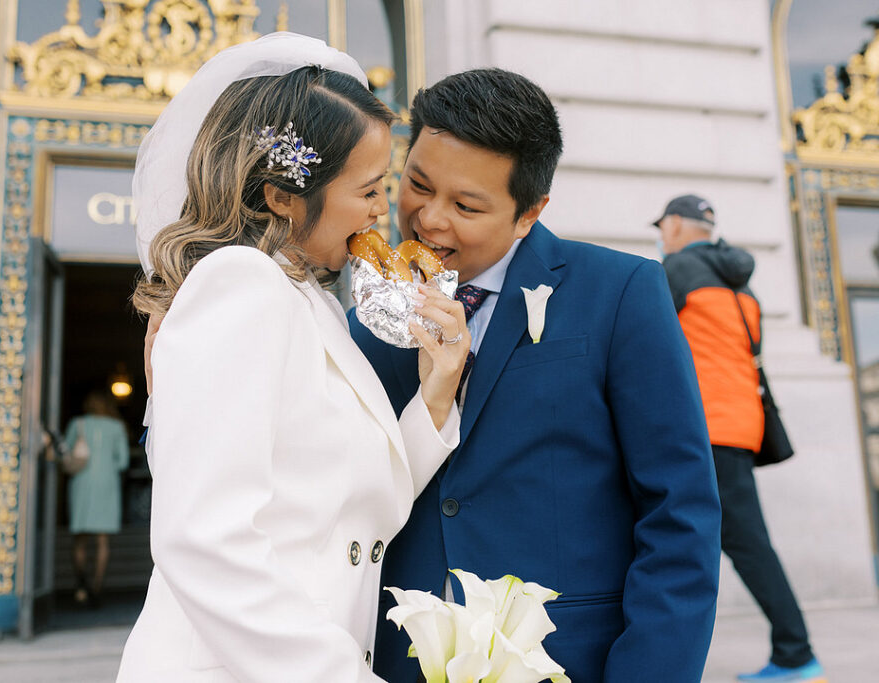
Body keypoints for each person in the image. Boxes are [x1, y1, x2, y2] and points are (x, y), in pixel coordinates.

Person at [348, 69, 723, 682]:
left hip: (567, 660)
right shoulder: (361, 322)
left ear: (530, 213)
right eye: (416, 184)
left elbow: (679, 511)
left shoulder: (621, 293)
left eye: (466, 205)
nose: (429, 219)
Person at [117, 33, 469, 682]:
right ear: (282, 196)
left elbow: (355, 505)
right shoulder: (239, 286)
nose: (381, 210)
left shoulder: (313, 302)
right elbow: (203, 537)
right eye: (369, 188)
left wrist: (440, 386)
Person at [654, 194, 825, 682]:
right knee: (730, 539)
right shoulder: (740, 282)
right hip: (740, 424)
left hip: (705, 426)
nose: (662, 236)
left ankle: (797, 654)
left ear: (679, 225)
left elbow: (649, 344)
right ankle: (793, 652)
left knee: (744, 543)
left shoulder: (676, 271)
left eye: (664, 225)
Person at [63, 389, 130, 607]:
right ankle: (97, 587)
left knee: (80, 539)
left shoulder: (78, 424)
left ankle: (81, 584)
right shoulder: (117, 427)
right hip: (107, 483)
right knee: (103, 541)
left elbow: (66, 453)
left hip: (82, 483)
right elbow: (123, 462)